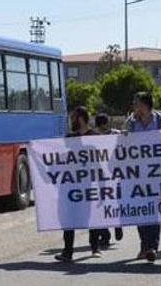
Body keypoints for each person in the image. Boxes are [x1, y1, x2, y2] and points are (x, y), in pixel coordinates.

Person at [124, 91, 161, 262]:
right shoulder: (130, 122)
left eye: (136, 102)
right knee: (140, 209)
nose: (133, 106)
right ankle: (144, 245)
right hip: (137, 173)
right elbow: (124, 144)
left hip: (157, 172)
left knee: (154, 208)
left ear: (145, 104)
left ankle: (152, 246)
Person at [55, 107, 105, 262]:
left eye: (73, 118)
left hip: (89, 184)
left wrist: (102, 186)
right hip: (71, 185)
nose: (71, 122)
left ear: (81, 118)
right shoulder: (70, 138)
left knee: (92, 217)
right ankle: (67, 251)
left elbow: (100, 162)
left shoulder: (95, 137)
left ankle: (95, 247)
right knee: (68, 219)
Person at [94, 113, 123, 248]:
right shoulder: (94, 137)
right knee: (100, 206)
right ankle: (105, 235)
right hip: (101, 176)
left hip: (116, 175)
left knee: (115, 202)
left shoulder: (117, 134)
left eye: (101, 127)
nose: (100, 130)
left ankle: (117, 224)